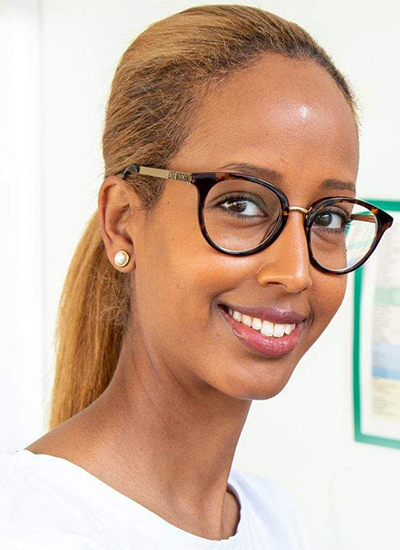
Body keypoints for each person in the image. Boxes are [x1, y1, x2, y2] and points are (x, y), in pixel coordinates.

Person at [0, 4, 393, 550]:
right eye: (241, 204)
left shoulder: (277, 517)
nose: (296, 272)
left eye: (328, 217)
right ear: (123, 223)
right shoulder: (30, 529)